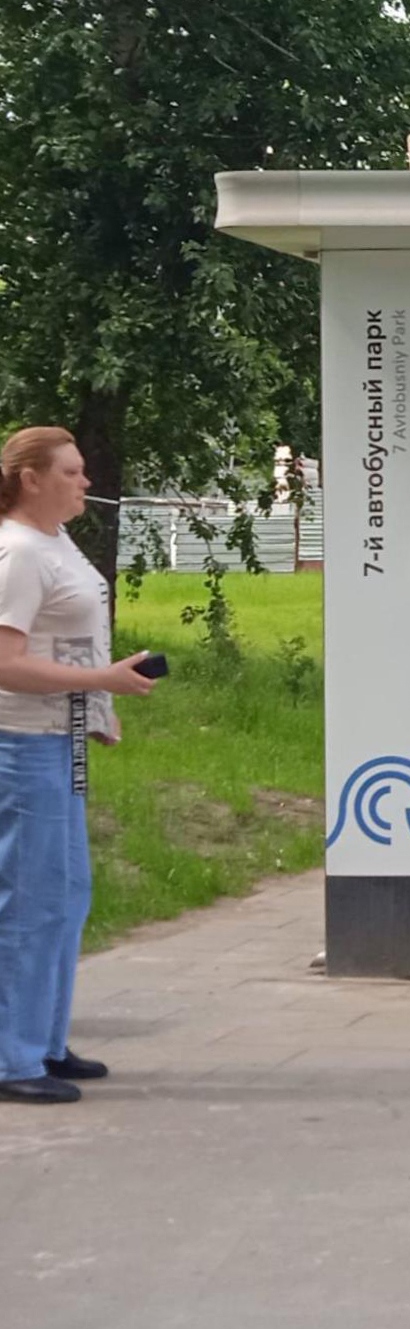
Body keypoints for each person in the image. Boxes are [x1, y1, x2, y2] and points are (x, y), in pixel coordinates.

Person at [0, 426, 157, 1105]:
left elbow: (65, 640)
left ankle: (44, 1041)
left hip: (58, 738)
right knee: (31, 899)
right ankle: (12, 1056)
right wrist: (100, 680)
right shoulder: (16, 552)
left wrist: (98, 704)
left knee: (65, 895)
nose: (85, 481)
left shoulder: (55, 540)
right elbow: (5, 664)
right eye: (71, 471)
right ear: (31, 479)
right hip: (21, 744)